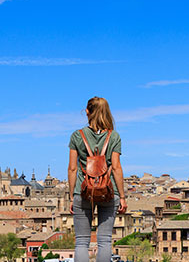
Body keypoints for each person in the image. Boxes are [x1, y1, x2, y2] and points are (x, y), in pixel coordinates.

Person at [68, 97, 126, 262]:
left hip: (83, 191)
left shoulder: (77, 136)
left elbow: (72, 168)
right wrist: (122, 196)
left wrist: (72, 196)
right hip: (108, 191)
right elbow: (116, 167)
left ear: (87, 112)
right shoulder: (114, 136)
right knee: (105, 240)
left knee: (81, 242)